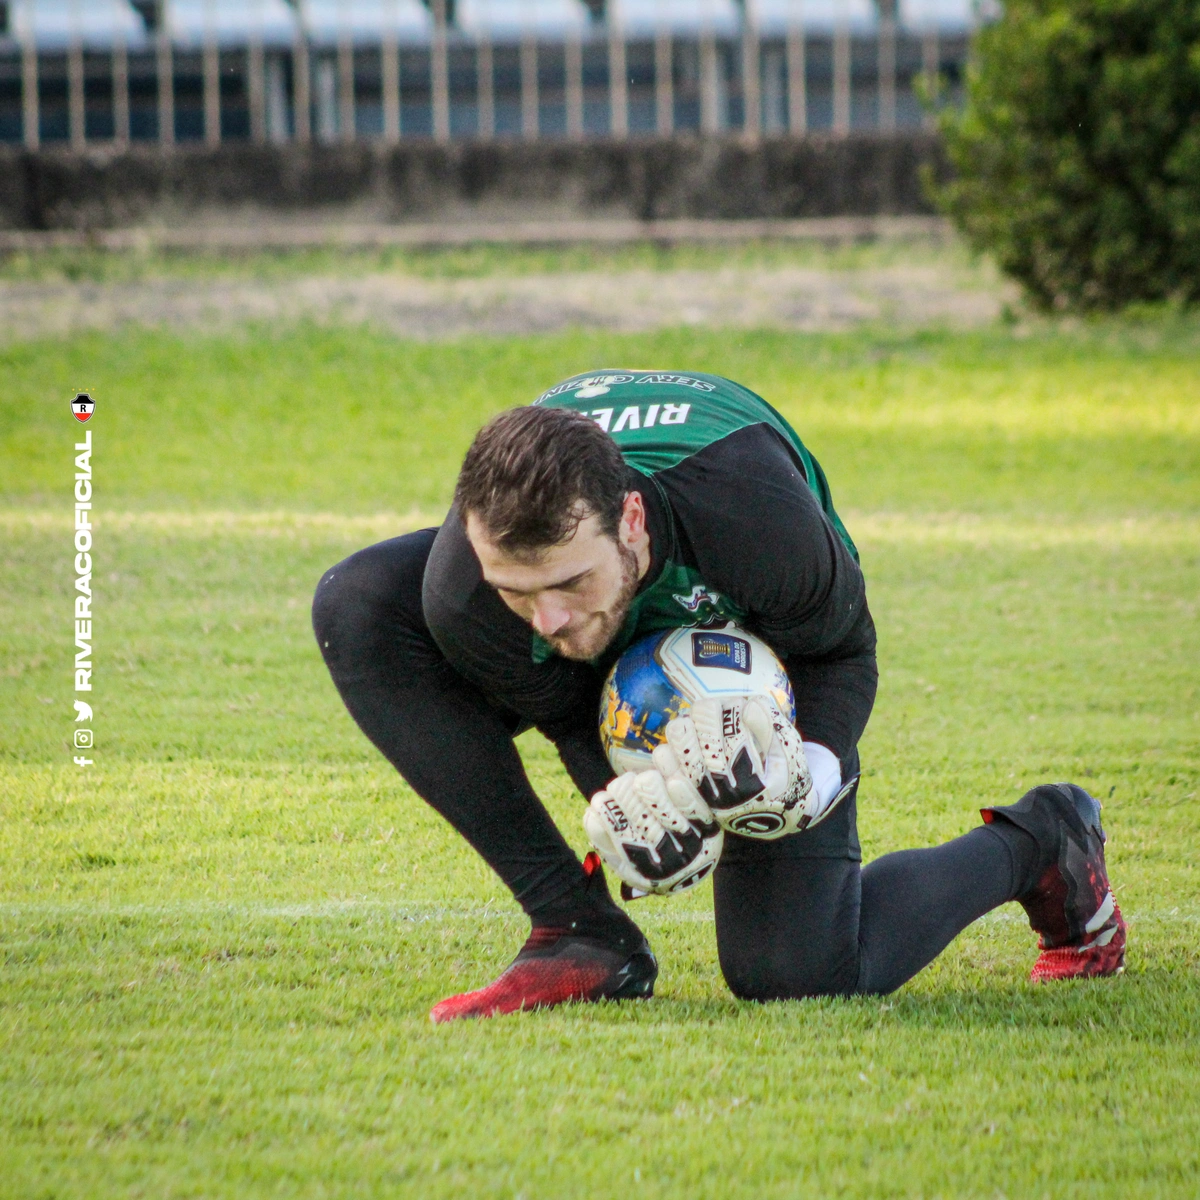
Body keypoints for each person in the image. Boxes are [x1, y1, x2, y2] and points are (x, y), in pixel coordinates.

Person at [312, 370, 1126, 1023]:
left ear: (631, 520)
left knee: (795, 973)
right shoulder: (472, 591)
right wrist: (631, 804)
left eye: (567, 581)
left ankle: (1043, 839)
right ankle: (580, 931)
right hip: (616, 640)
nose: (547, 617)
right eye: (519, 591)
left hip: (766, 651)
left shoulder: (760, 521)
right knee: (357, 605)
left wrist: (801, 773)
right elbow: (568, 707)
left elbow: (843, 654)